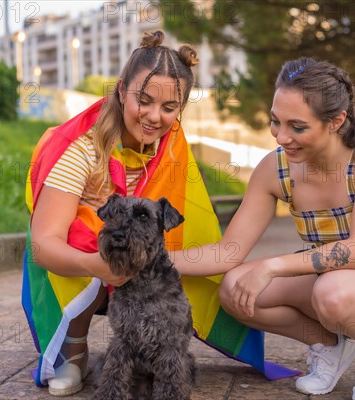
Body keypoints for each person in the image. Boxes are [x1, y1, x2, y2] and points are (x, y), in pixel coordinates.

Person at [22, 30, 296, 397]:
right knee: (90, 229)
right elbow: (43, 246)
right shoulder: (81, 150)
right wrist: (95, 266)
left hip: (142, 266)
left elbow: (195, 233)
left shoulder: (172, 150)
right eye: (144, 101)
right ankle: (73, 351)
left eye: (169, 108)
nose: (154, 117)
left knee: (175, 269)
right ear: (121, 91)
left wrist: (162, 262)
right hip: (79, 265)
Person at [174, 57, 355, 400]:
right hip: (335, 274)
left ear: (336, 121)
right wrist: (153, 260)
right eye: (276, 122)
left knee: (332, 292)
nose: (282, 136)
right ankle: (328, 344)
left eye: (297, 127)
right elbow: (228, 253)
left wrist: (272, 267)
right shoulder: (274, 169)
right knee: (234, 288)